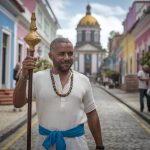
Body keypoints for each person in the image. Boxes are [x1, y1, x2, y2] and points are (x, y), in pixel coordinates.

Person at [13, 37, 104, 150]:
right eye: (62, 54)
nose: (67, 58)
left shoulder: (83, 80)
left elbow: (92, 114)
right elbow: (17, 103)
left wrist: (100, 145)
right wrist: (24, 76)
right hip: (45, 144)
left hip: (77, 144)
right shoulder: (37, 78)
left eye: (70, 54)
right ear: (51, 56)